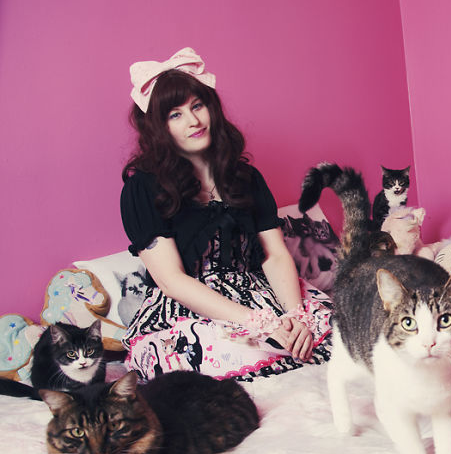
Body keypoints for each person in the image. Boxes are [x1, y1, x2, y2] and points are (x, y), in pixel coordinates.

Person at [120, 47, 331, 381]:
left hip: (258, 293)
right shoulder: (142, 188)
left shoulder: (246, 178)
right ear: (158, 127)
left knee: (338, 331)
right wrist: (260, 324)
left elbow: (275, 255)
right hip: (192, 307)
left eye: (197, 106)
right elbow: (172, 280)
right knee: (221, 355)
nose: (193, 121)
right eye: (175, 115)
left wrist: (295, 316)